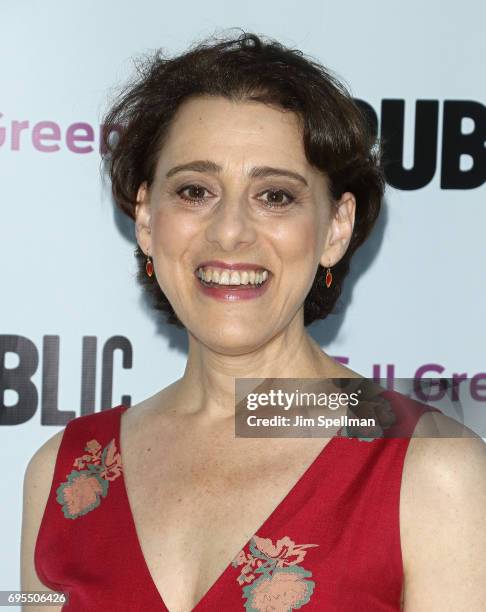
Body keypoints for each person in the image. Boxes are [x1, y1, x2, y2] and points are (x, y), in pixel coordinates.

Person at [21, 31, 486, 611]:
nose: (230, 231)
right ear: (146, 217)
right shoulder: (61, 476)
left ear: (336, 228)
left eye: (275, 196)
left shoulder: (435, 472)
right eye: (195, 190)